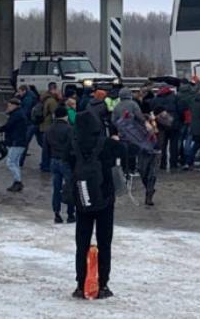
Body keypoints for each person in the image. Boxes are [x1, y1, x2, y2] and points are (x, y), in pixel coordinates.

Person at [65, 110, 121, 299]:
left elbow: (63, 159)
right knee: (105, 243)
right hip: (105, 198)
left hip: (82, 198)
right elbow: (129, 151)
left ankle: (80, 285)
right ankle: (103, 284)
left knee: (82, 243)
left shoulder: (73, 145)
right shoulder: (107, 144)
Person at [117, 107, 160, 206]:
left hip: (155, 152)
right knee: (143, 172)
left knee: (152, 174)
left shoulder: (151, 123)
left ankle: (149, 194)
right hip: (143, 153)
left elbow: (156, 133)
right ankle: (149, 189)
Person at [46, 106, 76, 224]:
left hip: (54, 160)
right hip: (66, 161)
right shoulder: (69, 129)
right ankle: (70, 214)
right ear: (66, 116)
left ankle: (57, 213)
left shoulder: (49, 129)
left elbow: (46, 147)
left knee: (56, 188)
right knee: (69, 188)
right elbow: (73, 146)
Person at [0, 98, 29, 193]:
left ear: (15, 106)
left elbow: (8, 126)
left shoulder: (16, 115)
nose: (8, 107)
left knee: (10, 162)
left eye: (9, 105)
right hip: (19, 142)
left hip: (17, 142)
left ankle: (18, 181)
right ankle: (17, 181)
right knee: (15, 162)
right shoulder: (18, 114)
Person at [150, 85, 184, 171]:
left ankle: (162, 164)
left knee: (162, 145)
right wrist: (179, 121)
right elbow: (181, 110)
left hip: (161, 126)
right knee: (174, 145)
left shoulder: (155, 99)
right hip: (174, 125)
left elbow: (152, 111)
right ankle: (173, 164)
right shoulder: (175, 98)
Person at [38, 82, 61, 173]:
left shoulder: (43, 97)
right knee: (48, 149)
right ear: (54, 89)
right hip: (48, 126)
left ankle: (44, 164)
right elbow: (55, 114)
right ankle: (46, 165)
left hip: (43, 125)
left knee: (45, 148)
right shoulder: (51, 101)